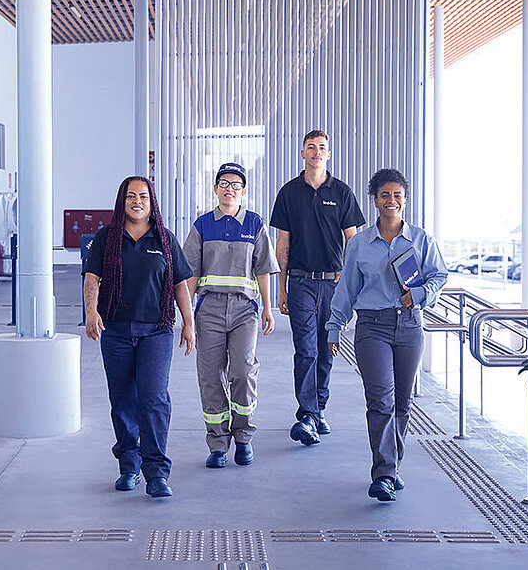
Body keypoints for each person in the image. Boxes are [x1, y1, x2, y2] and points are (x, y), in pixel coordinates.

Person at [326, 168, 447, 502]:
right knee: (380, 399)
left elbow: (439, 275)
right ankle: (383, 473)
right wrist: (334, 326)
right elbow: (347, 289)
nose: (391, 200)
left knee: (402, 403)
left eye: (397, 194)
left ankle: (393, 465)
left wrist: (420, 295)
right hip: (372, 327)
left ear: (405, 199)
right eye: (384, 195)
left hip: (410, 326)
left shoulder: (422, 240)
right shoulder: (361, 243)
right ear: (375, 200)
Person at [84, 176, 195, 499]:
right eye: (131, 196)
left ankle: (157, 472)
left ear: (152, 202)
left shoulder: (164, 238)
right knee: (122, 401)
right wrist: (91, 312)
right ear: (122, 201)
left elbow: (180, 283)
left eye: (143, 196)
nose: (137, 201)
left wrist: (188, 322)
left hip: (156, 332)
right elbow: (93, 277)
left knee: (154, 400)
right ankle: (129, 465)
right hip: (116, 332)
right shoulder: (107, 238)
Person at [270, 130, 365, 446]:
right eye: (310, 147)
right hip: (299, 281)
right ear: (302, 153)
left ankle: (319, 407)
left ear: (328, 154)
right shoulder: (289, 193)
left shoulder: (341, 192)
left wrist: (349, 282)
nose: (316, 152)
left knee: (326, 350)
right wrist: (281, 289)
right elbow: (282, 245)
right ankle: (308, 414)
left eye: (321, 148)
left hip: (333, 284)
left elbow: (354, 241)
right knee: (306, 350)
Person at [183, 162, 279, 469]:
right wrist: (187, 317)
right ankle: (218, 443)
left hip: (243, 311)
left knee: (243, 371)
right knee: (210, 376)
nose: (229, 189)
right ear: (215, 189)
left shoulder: (254, 223)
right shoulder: (202, 225)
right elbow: (190, 274)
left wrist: (267, 306)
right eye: (224, 183)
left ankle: (244, 437)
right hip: (209, 310)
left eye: (236, 185)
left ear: (244, 191)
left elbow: (263, 268)